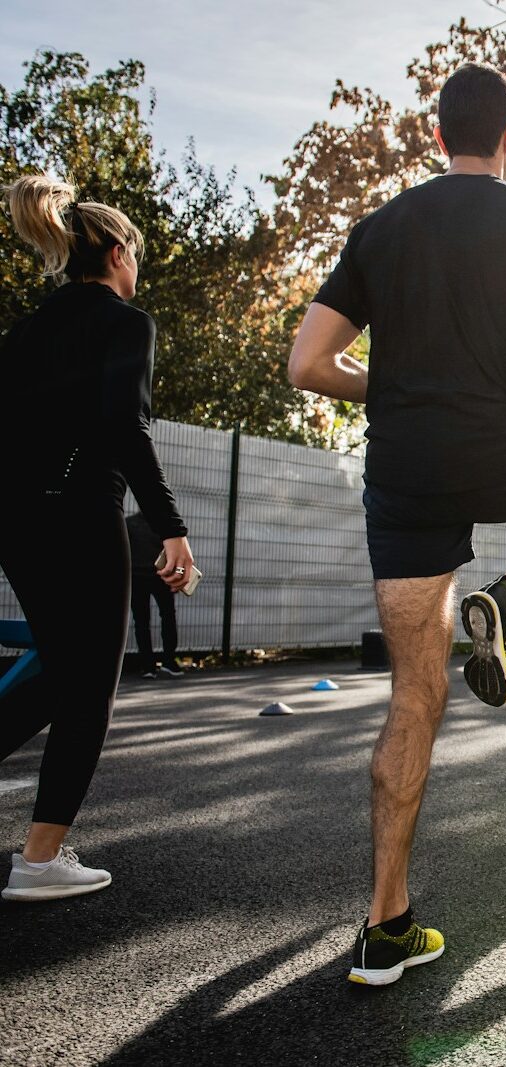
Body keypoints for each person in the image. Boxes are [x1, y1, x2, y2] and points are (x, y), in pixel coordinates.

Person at [288, 64, 506, 985]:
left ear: (438, 139)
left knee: (412, 699)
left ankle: (385, 926)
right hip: (505, 452)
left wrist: (386, 385)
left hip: (405, 473)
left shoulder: (379, 230)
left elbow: (308, 363)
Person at [0, 176, 195, 902]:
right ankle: (40, 859)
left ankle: (42, 855)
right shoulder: (126, 321)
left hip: (15, 520)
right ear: (117, 253)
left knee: (57, 671)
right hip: (81, 514)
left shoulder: (25, 329)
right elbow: (125, 427)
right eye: (135, 256)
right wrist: (169, 526)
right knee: (90, 687)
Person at [126, 511, 184, 678]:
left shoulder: (129, 524)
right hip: (162, 578)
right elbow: (177, 554)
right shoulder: (165, 524)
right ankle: (169, 662)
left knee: (142, 622)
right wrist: (179, 576)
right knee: (168, 617)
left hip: (137, 578)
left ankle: (148, 666)